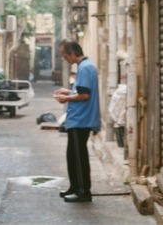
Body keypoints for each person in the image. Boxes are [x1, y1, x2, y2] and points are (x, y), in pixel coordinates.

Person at [53, 39, 100, 203]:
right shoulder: (85, 66)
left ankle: (83, 191)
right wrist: (69, 91)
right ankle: (75, 187)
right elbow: (81, 90)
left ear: (72, 54)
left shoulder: (85, 68)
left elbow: (84, 95)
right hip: (78, 120)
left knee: (78, 157)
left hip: (81, 120)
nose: (64, 58)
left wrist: (66, 98)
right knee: (72, 156)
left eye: (65, 55)